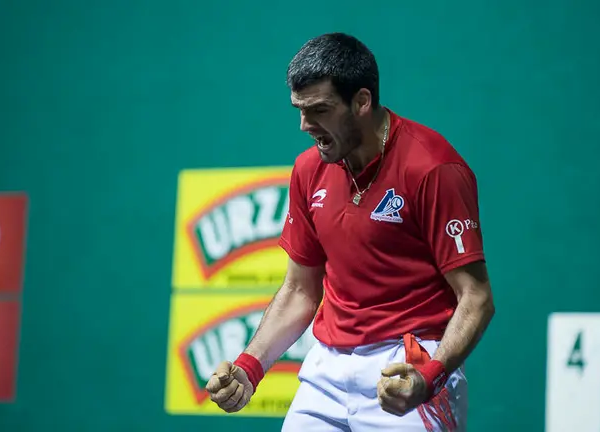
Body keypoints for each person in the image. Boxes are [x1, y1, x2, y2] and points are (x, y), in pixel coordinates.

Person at [205, 32, 495, 432]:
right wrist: (249, 367)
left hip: (406, 366)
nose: (305, 125)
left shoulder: (433, 169)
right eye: (300, 110)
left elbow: (476, 297)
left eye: (319, 110)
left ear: (362, 101)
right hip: (326, 369)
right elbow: (300, 290)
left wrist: (430, 377)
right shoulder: (309, 170)